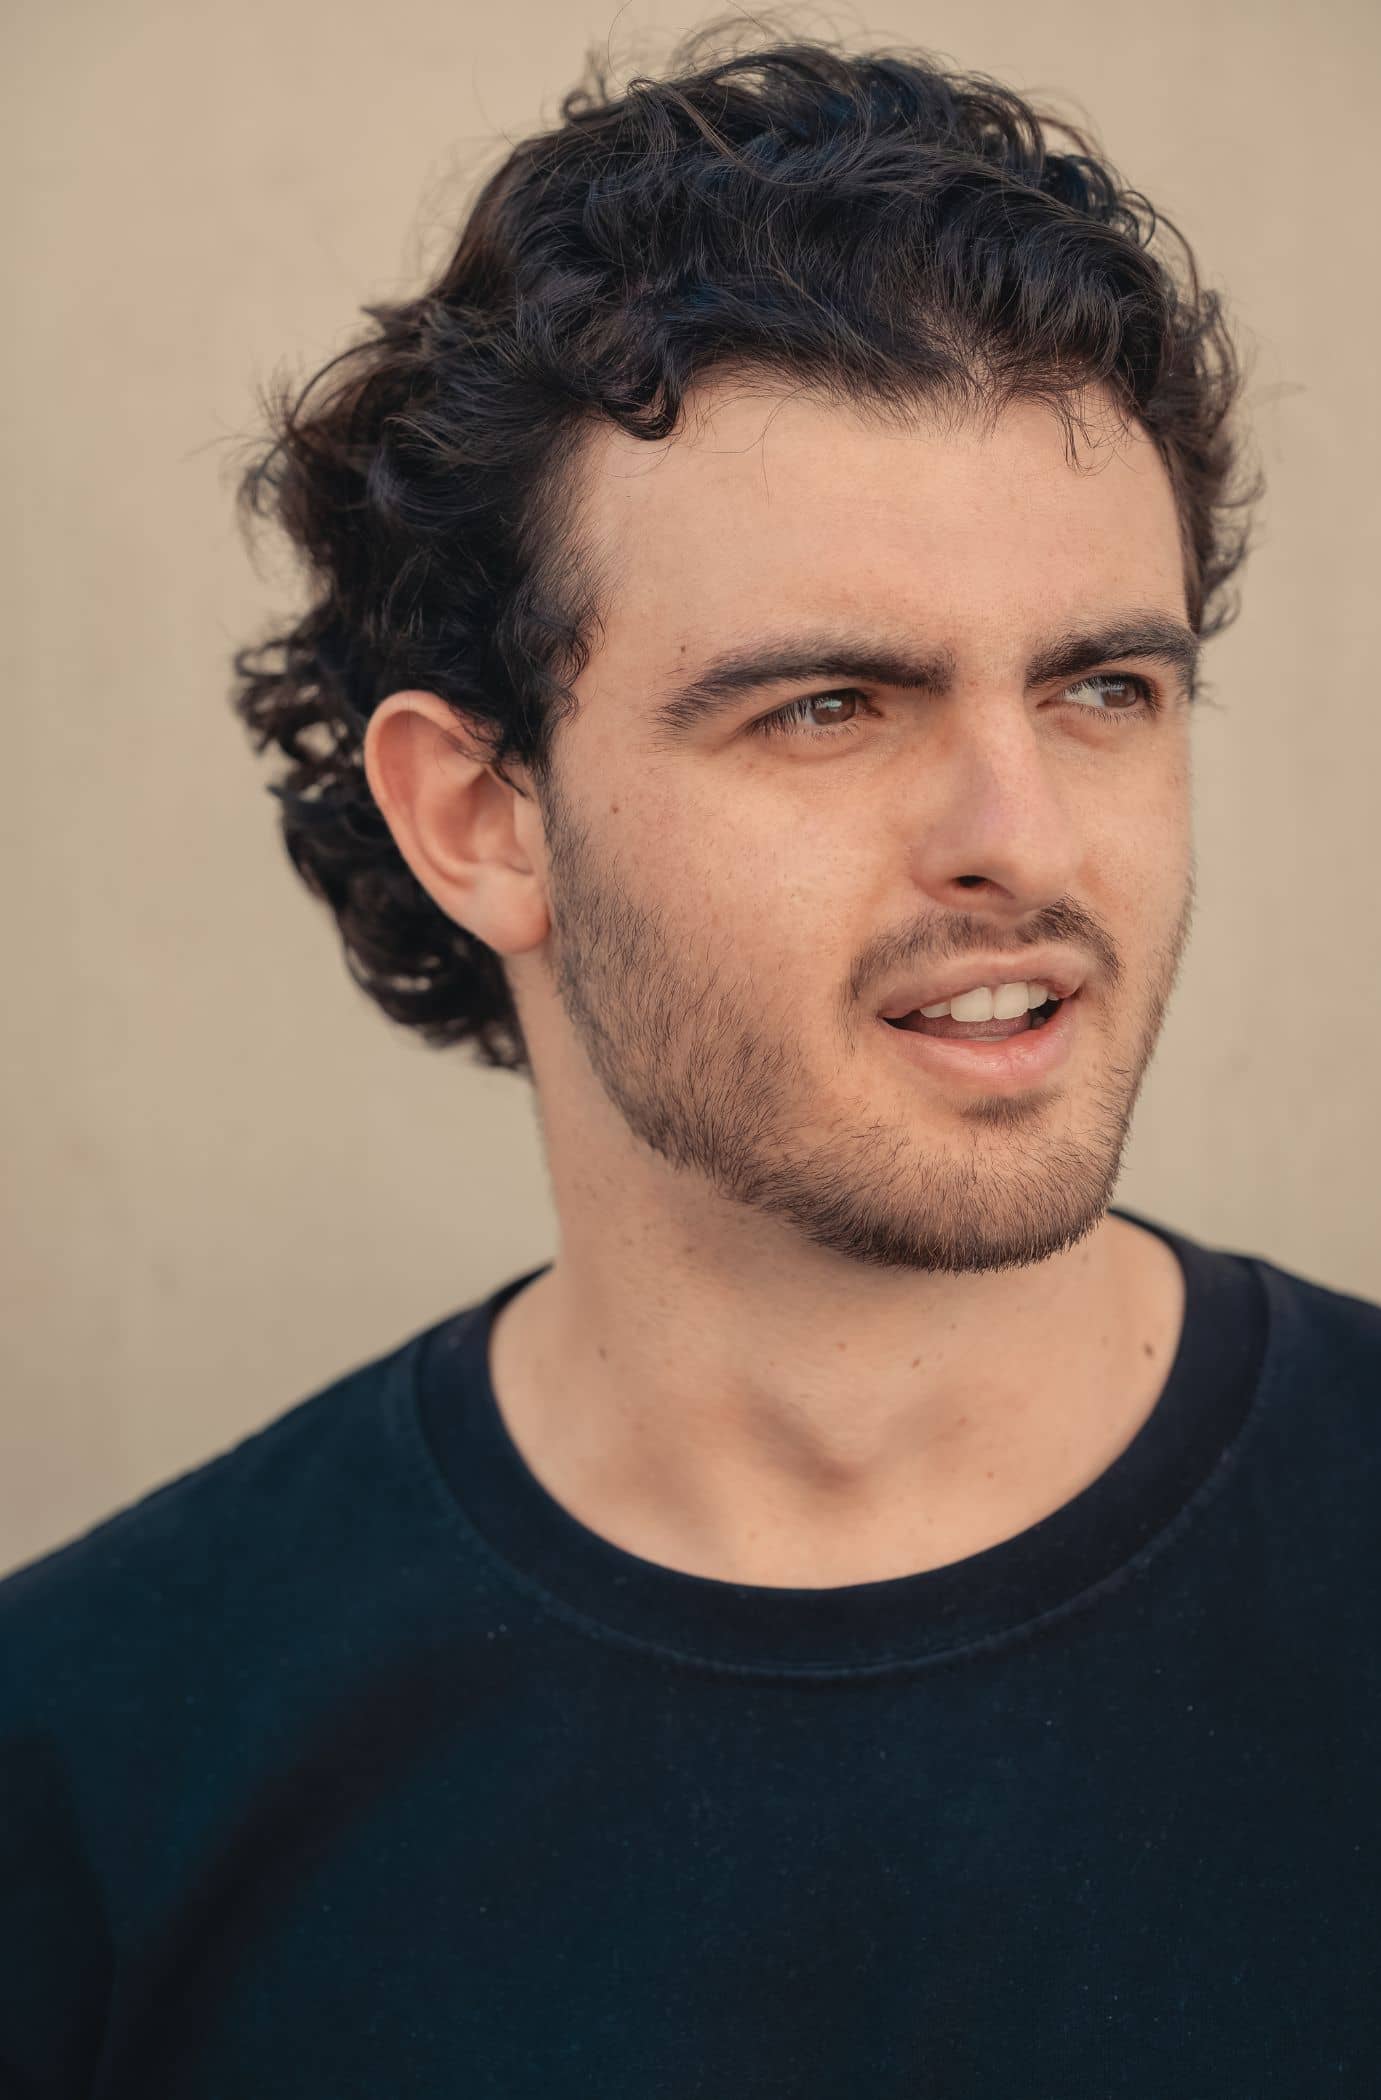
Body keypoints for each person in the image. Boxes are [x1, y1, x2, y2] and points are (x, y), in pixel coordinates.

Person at [3, 20, 1378, 2095]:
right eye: (827, 706)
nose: (1020, 838)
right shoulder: (88, 1771)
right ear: (484, 817)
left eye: (1101, 688)